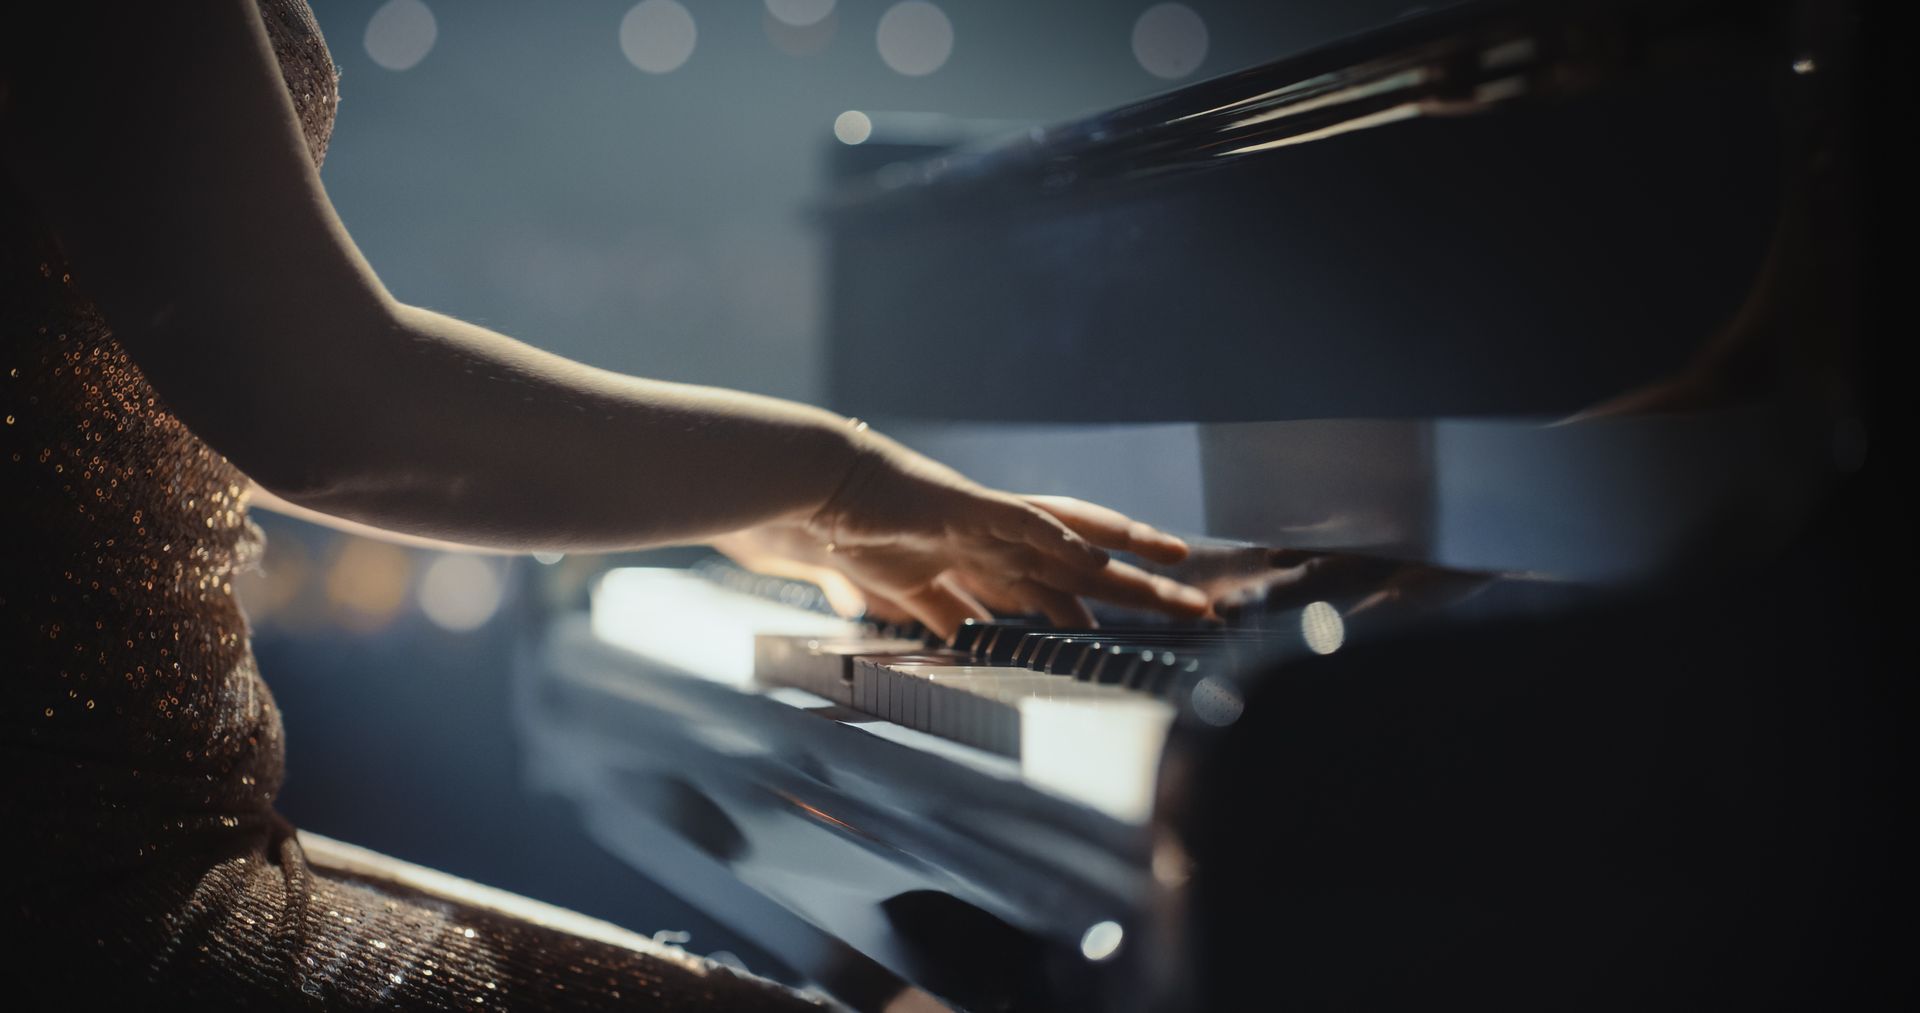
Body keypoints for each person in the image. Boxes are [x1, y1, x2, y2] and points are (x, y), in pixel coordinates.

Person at [0, 2, 1210, 1007]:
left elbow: (196, 382)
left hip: (136, 836)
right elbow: (316, 407)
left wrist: (733, 499)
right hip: (89, 891)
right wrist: (835, 475)